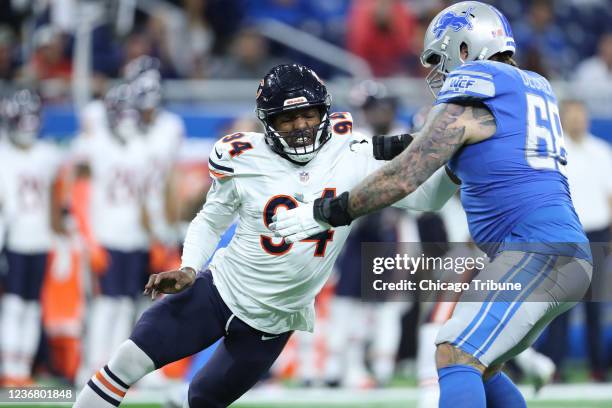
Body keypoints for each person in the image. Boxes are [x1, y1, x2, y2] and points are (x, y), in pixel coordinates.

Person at [73, 63, 460, 408]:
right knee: (126, 362)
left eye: (307, 115)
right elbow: (211, 219)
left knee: (202, 400)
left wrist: (452, 166)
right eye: (286, 119)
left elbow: (427, 199)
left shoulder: (350, 150)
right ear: (266, 122)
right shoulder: (243, 156)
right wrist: (190, 266)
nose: (300, 127)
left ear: (325, 113)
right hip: (219, 291)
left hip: (275, 321)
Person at [272, 3, 593, 408]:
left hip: (536, 250)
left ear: (465, 50)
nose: (437, 75)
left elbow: (407, 174)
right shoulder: (525, 88)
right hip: (554, 251)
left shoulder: (481, 82)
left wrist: (325, 212)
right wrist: (355, 165)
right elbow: (429, 192)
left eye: (440, 60)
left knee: (455, 350)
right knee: (480, 364)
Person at [72, 84, 150, 385]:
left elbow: (142, 198)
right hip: (103, 235)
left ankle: (112, 369)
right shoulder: (93, 144)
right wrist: (89, 240)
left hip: (132, 236)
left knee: (125, 304)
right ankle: (90, 366)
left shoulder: (140, 147)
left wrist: (150, 234)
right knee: (103, 304)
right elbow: (78, 193)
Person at [541, 99, 612, 382]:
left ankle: (598, 369)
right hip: (564, 236)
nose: (577, 121)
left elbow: (610, 197)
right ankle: (554, 368)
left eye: (581, 116)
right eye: (572, 116)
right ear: (561, 120)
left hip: (596, 235)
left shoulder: (601, 151)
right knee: (560, 307)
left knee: (594, 307)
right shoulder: (554, 153)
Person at [0, 89, 65, 386]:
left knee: (31, 304)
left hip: (39, 237)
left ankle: (21, 369)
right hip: (11, 238)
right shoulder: (4, 153)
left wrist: (60, 236)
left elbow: (54, 196)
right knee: (14, 304)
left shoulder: (46, 154)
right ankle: (9, 367)